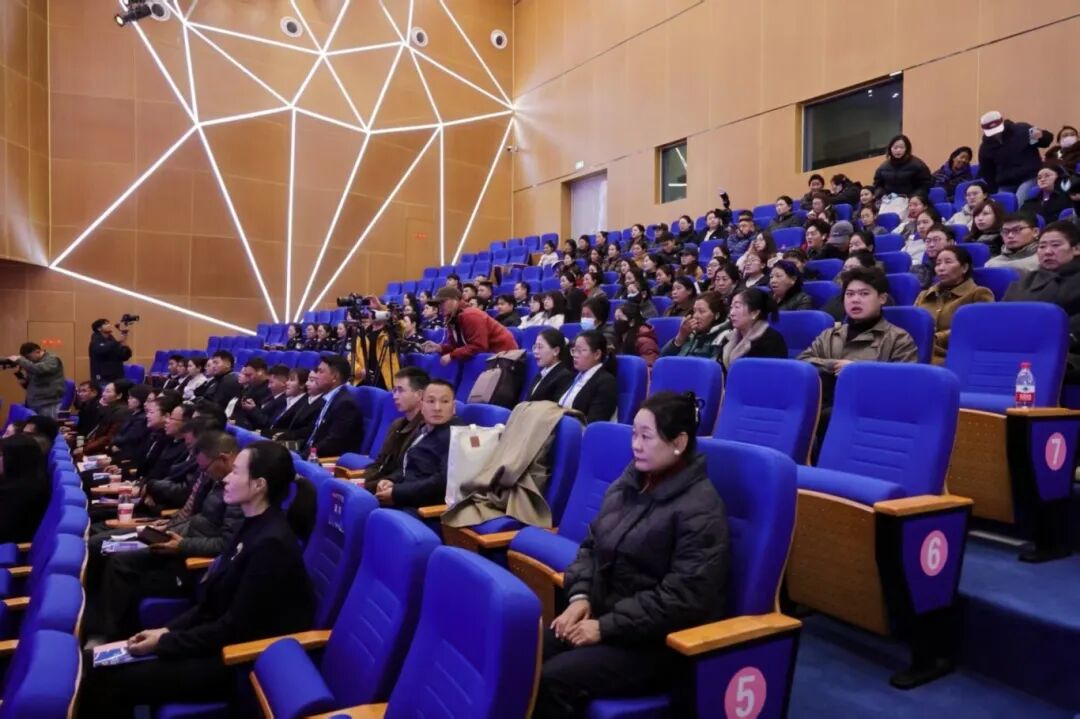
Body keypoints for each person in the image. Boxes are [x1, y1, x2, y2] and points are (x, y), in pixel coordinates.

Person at [79, 440, 314, 719]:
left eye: (236, 472)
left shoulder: (271, 545)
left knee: (106, 678)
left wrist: (166, 642)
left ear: (258, 485)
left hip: (234, 661)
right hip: (212, 640)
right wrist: (166, 630)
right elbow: (212, 604)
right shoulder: (252, 525)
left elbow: (234, 628)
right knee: (92, 663)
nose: (226, 479)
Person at [535, 392, 728, 719]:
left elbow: (683, 599)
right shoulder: (628, 485)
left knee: (552, 680)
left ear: (679, 442)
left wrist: (604, 627)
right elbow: (590, 546)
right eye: (634, 434)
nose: (635, 445)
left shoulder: (701, 508)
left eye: (646, 437)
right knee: (524, 647)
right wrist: (580, 597)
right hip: (607, 618)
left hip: (654, 643)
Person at [799, 266, 919, 373]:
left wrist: (858, 370)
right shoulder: (829, 336)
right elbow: (802, 362)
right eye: (849, 294)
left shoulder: (898, 339)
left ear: (882, 298)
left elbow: (904, 380)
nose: (855, 300)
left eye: (864, 294)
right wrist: (833, 365)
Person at [372, 379, 462, 511]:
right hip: (405, 496)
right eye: (431, 401)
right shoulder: (424, 429)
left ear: (453, 407)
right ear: (421, 406)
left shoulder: (456, 435)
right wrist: (391, 481)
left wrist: (397, 493)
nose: (437, 408)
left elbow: (442, 483)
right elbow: (407, 466)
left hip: (424, 508)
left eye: (444, 401)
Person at [1003, 222, 1080, 372]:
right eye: (1042, 246)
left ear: (1076, 249)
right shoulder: (1025, 281)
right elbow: (1003, 317)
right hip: (1019, 352)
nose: (1048, 252)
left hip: (1067, 356)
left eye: (1056, 245)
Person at [914, 246, 995, 364]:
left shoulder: (979, 293)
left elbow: (980, 328)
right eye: (938, 263)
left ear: (964, 267)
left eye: (948, 262)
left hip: (954, 356)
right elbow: (913, 325)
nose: (941, 268)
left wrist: (935, 338)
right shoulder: (924, 295)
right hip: (917, 353)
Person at [360, 367, 429, 491]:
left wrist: (365, 486)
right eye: (394, 390)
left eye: (400, 390)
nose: (394, 396)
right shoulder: (396, 424)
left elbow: (406, 474)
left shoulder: (425, 430)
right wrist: (361, 482)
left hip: (396, 490)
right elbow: (380, 463)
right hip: (380, 485)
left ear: (419, 394)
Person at [422, 287, 517, 364]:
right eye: (438, 304)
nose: (440, 307)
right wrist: (440, 348)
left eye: (442, 302)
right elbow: (456, 346)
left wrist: (452, 355)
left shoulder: (471, 315)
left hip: (505, 358)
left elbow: (479, 346)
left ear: (455, 300)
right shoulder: (451, 317)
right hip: (489, 358)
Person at [977, 110, 1053, 204]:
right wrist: (994, 191)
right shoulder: (985, 148)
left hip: (1029, 176)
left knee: (1020, 201)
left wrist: (1042, 136)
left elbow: (1045, 142)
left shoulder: (1023, 130)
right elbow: (988, 173)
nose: (996, 134)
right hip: (1005, 183)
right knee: (1001, 206)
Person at [300, 356, 364, 459]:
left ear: (334, 377)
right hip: (308, 451)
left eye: (321, 372)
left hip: (325, 460)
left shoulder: (346, 404)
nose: (316, 376)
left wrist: (303, 456)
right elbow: (311, 432)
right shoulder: (326, 398)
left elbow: (332, 443)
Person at [719, 290, 789, 371]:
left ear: (754, 313)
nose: (731, 313)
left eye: (737, 307)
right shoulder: (728, 338)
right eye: (731, 307)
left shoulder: (771, 340)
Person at [557, 331, 618, 424]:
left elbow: (594, 423)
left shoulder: (606, 382)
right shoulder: (577, 376)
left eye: (580, 351)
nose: (575, 355)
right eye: (574, 350)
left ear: (597, 354)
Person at [0, 433, 50, 543]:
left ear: (14, 459)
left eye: (1, 455)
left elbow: (4, 531)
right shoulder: (25, 480)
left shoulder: (23, 492)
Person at [660, 291, 728, 360]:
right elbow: (663, 358)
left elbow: (713, 365)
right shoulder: (689, 332)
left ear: (716, 315)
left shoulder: (723, 337)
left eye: (702, 311)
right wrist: (680, 337)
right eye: (694, 311)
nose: (695, 316)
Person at [7, 342, 65, 418]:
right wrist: (22, 380)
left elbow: (38, 369)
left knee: (46, 425)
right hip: (35, 404)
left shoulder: (52, 359)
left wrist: (20, 360)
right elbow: (32, 385)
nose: (28, 360)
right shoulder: (34, 364)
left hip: (48, 405)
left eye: (28, 357)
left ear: (37, 351)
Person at [81, 379, 133, 456]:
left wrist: (85, 449)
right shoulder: (110, 408)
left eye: (108, 392)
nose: (103, 394)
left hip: (106, 453)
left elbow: (108, 438)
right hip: (95, 446)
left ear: (119, 395)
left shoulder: (121, 412)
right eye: (104, 391)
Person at [873, 134, 932, 199]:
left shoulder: (918, 165)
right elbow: (877, 185)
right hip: (889, 200)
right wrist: (882, 194)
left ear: (907, 149)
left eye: (901, 147)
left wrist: (915, 197)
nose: (898, 150)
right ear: (890, 149)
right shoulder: (883, 167)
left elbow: (925, 185)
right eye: (895, 147)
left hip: (911, 201)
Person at [236, 363, 289, 432]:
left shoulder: (284, 401)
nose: (269, 386)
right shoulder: (270, 396)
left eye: (271, 382)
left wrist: (253, 409)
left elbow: (269, 424)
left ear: (284, 383)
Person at [526, 329, 575, 403]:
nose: (535, 351)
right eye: (535, 347)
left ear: (556, 351)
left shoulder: (564, 377)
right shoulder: (541, 373)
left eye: (540, 347)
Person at [266, 367, 315, 439]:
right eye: (288, 379)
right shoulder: (285, 400)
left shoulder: (304, 405)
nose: (287, 383)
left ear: (302, 385)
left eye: (292, 380)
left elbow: (289, 431)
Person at [613, 302, 660, 367]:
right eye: (616, 318)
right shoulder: (621, 336)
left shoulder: (645, 341)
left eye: (620, 318)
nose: (616, 321)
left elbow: (650, 366)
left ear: (632, 322)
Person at [912, 223, 956, 289]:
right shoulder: (918, 269)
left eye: (936, 240)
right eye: (928, 241)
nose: (931, 245)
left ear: (950, 242)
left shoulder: (957, 269)